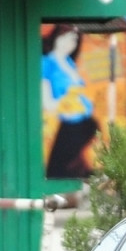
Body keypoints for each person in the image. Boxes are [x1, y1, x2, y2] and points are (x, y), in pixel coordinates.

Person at [42, 24, 99, 179]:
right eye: (66, 37)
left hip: (80, 120)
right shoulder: (46, 63)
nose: (70, 43)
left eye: (74, 40)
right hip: (61, 120)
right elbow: (46, 99)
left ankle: (77, 171)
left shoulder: (69, 63)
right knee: (58, 164)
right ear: (56, 38)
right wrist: (64, 103)